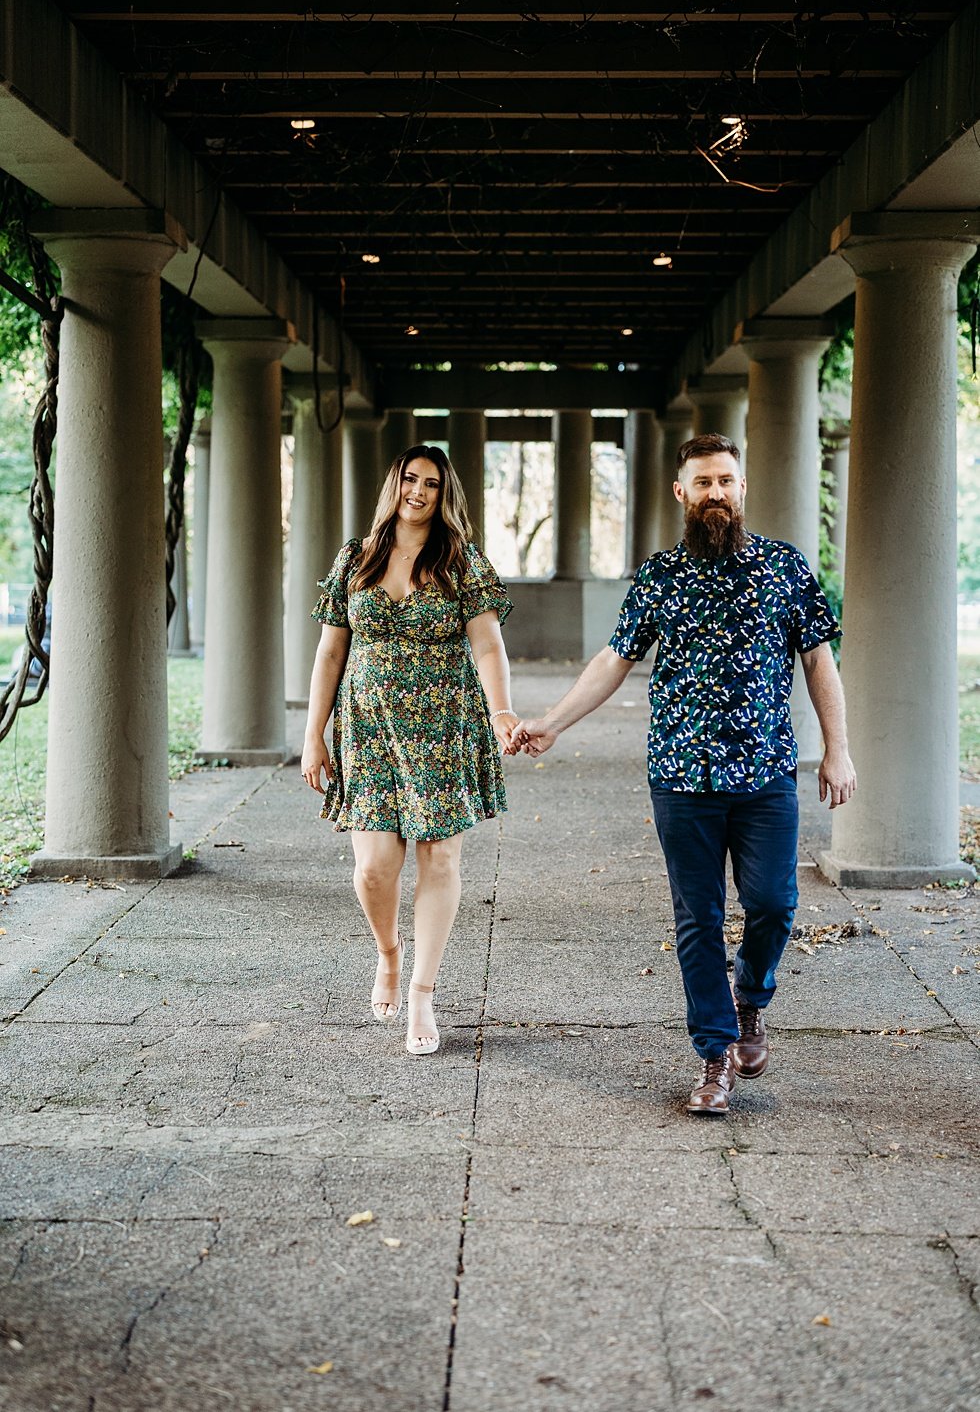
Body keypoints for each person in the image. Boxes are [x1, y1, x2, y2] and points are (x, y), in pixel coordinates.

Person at [514, 433, 856, 1115]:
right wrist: (555, 719)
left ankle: (751, 1000)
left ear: (743, 485)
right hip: (681, 776)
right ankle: (715, 1055)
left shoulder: (786, 568)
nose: (715, 494)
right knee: (698, 920)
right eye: (702, 483)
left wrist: (837, 749)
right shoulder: (660, 575)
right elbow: (615, 659)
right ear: (682, 493)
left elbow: (819, 662)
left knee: (774, 905)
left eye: (725, 480)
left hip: (764, 774)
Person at [301, 444, 519, 1056]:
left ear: (444, 493)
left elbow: (488, 648)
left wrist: (501, 711)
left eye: (430, 483)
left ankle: (422, 992)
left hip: (443, 728)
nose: (417, 491)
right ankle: (389, 953)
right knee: (373, 867)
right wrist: (313, 735)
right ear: (393, 484)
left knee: (440, 860)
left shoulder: (462, 563)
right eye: (409, 479)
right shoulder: (357, 558)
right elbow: (330, 653)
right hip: (367, 729)